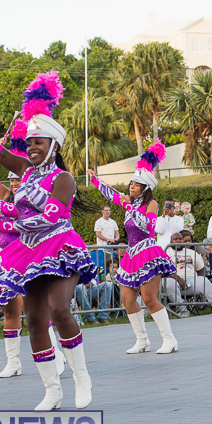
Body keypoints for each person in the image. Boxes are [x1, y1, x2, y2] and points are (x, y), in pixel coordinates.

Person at [0, 71, 97, 411]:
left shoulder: (64, 179)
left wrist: (8, 223)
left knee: (59, 309)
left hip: (60, 248)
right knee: (33, 319)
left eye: (39, 142)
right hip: (29, 253)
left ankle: (81, 378)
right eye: (30, 142)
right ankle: (52, 390)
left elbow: (51, 218)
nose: (31, 147)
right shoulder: (26, 171)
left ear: (54, 146)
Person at [0, 119, 68, 380]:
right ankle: (13, 361)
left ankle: (56, 353)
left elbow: (16, 215)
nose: (16, 183)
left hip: (25, 252)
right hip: (2, 255)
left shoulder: (35, 194)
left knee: (34, 309)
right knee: (8, 308)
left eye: (19, 179)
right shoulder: (5, 193)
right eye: (13, 180)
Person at [89, 140, 179, 355]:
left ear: (145, 188)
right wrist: (94, 179)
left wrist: (129, 206)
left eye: (136, 185)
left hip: (148, 252)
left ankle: (169, 339)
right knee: (127, 300)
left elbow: (148, 225)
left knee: (149, 299)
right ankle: (142, 340)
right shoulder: (128, 201)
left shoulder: (151, 204)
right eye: (131, 184)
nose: (131, 187)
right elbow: (110, 193)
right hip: (131, 255)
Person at [162, 231, 212, 313]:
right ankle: (181, 308)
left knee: (204, 281)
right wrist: (179, 279)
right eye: (175, 239)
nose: (178, 240)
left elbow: (201, 269)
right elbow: (165, 271)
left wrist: (198, 279)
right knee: (168, 282)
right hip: (174, 281)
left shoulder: (192, 253)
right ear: (171, 241)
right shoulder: (166, 252)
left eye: (180, 239)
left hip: (191, 282)